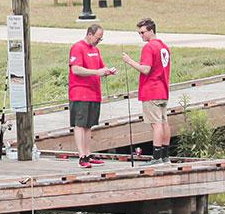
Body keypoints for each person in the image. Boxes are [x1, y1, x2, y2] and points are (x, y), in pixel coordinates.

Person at [121, 18, 173, 165]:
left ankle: (156, 157)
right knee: (164, 122)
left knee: (156, 124)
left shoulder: (149, 47)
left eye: (143, 32)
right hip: (163, 89)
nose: (141, 35)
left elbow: (146, 69)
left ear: (151, 30)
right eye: (139, 33)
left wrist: (129, 61)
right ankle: (165, 155)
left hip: (152, 90)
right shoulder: (164, 47)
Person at [69, 24, 119, 168]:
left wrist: (108, 71)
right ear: (90, 34)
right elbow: (76, 69)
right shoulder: (77, 48)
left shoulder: (96, 50)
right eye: (98, 38)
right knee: (80, 124)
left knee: (89, 125)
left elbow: (101, 68)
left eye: (101, 39)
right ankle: (81, 157)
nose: (98, 41)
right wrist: (97, 72)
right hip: (80, 92)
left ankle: (88, 154)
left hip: (94, 93)